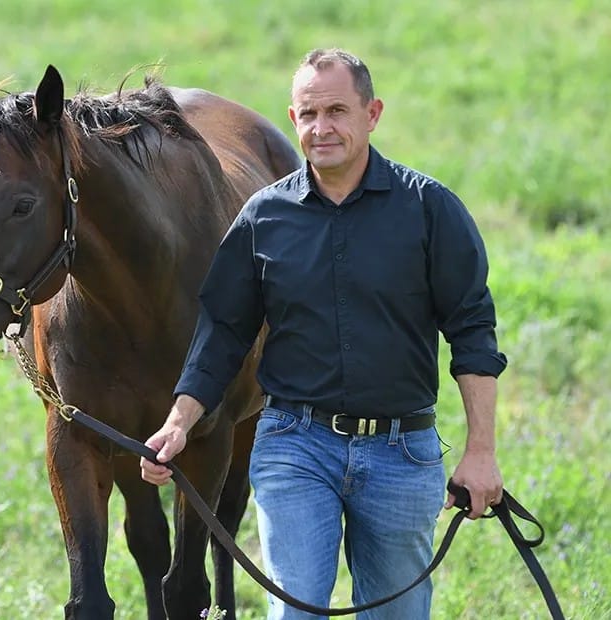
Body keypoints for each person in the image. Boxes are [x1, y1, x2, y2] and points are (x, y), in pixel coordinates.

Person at [139, 48, 507, 619]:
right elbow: (223, 331)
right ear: (293, 119)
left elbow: (473, 332)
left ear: (372, 113)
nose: (322, 128)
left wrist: (481, 451)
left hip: (401, 451)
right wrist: (179, 422)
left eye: (337, 111)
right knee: (296, 610)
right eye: (309, 114)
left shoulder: (429, 209)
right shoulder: (263, 216)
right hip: (295, 445)